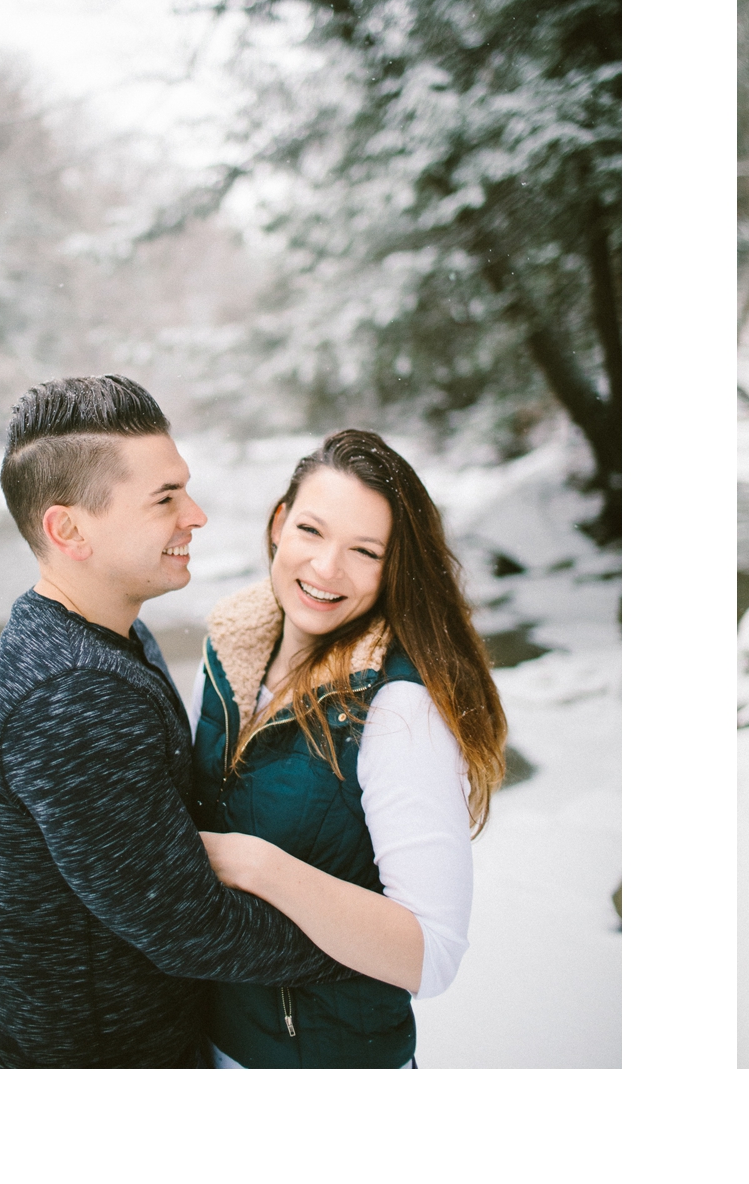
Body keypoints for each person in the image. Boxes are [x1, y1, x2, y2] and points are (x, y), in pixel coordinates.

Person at [0, 376, 361, 1068]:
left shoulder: (104, 639)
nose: (196, 515)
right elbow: (190, 928)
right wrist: (365, 945)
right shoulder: (73, 692)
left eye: (186, 488)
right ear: (69, 530)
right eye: (165, 499)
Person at [187, 430, 507, 1069]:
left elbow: (431, 952)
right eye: (311, 530)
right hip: (211, 1044)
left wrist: (257, 865)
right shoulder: (231, 649)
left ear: (395, 569)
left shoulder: (395, 708)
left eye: (365, 550)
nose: (327, 568)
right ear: (279, 524)